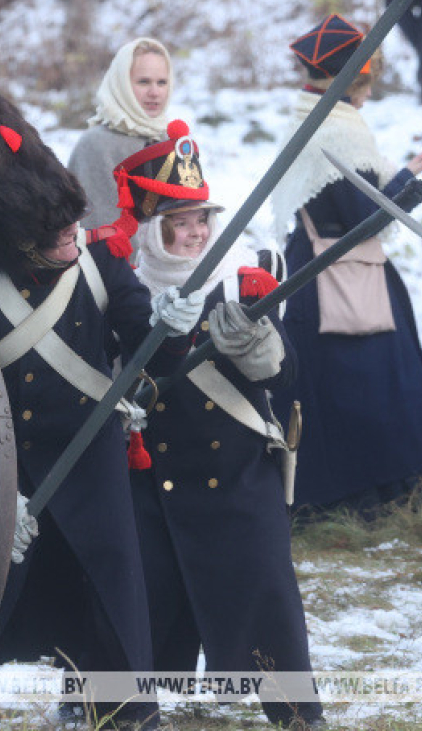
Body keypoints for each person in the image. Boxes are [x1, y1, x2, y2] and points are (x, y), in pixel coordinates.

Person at [0, 91, 203, 730]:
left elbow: (148, 355)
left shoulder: (101, 261)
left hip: (90, 463)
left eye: (73, 227)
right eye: (56, 237)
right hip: (5, 467)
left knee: (107, 595)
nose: (71, 241)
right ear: (15, 238)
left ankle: (111, 706)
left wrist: (173, 327)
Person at [121, 122, 323, 728]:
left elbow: (285, 376)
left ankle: (296, 710)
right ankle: (113, 701)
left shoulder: (241, 274)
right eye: (179, 224)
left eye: (201, 220)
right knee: (135, 588)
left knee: (265, 587)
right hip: (156, 474)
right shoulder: (125, 285)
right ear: (154, 229)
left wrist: (260, 348)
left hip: (237, 469)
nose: (195, 234)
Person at [270, 13, 422, 516]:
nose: (369, 90)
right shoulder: (339, 129)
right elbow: (360, 218)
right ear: (351, 78)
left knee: (331, 392)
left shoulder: (309, 115)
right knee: (374, 387)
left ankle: (334, 494)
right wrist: (409, 185)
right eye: (366, 79)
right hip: (342, 277)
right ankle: (379, 496)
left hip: (313, 273)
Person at [67, 37, 175, 230]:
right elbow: (95, 227)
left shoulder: (171, 140)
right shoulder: (95, 145)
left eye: (162, 82)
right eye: (143, 82)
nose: (155, 92)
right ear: (121, 84)